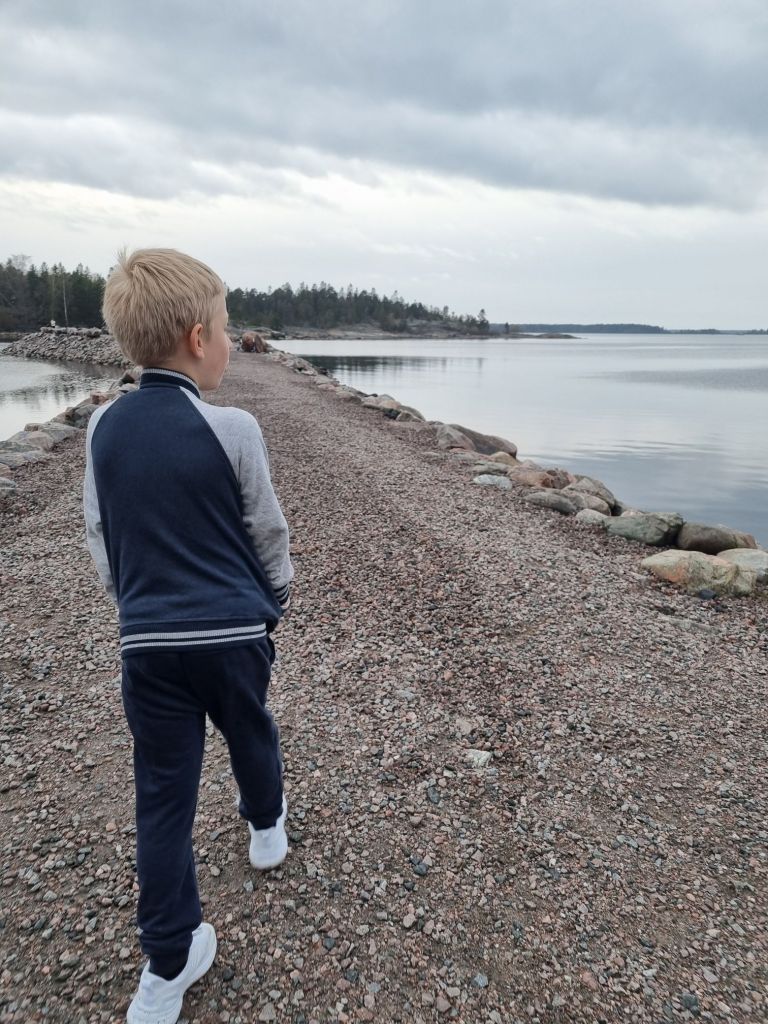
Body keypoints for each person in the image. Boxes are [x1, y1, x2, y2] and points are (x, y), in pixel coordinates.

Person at [83, 248, 293, 1024]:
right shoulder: (233, 427)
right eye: (228, 329)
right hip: (234, 630)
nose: (233, 342)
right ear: (198, 339)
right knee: (249, 727)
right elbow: (266, 530)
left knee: (163, 793)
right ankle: (265, 827)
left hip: (149, 643)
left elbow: (101, 535)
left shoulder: (102, 426)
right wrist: (274, 601)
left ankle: (166, 966)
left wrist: (133, 609)